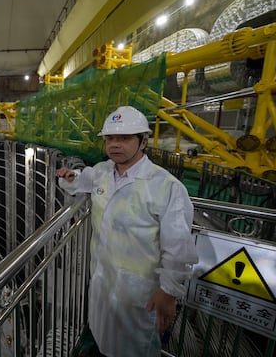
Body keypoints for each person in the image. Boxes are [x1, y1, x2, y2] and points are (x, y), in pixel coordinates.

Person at [56, 106, 198, 357]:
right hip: (102, 281)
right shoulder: (102, 172)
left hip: (138, 291)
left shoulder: (165, 186)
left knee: (136, 349)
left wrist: (169, 291)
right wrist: (69, 177)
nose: (115, 145)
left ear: (143, 142)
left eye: (124, 138)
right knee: (103, 339)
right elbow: (81, 180)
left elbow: (178, 246)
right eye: (110, 139)